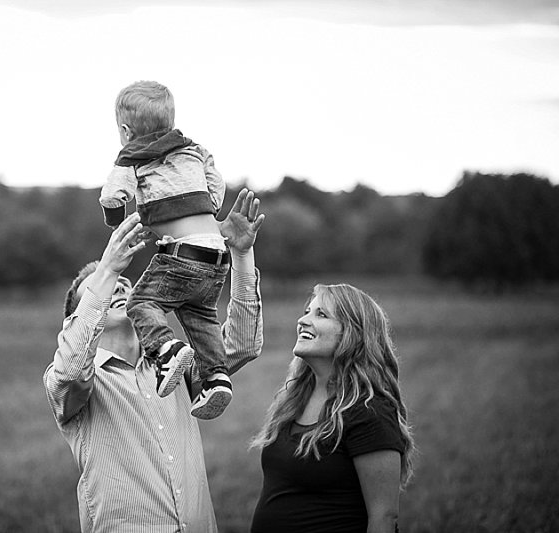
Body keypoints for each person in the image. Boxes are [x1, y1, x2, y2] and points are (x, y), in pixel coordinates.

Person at [45, 189, 265, 533]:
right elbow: (72, 365)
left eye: (123, 283)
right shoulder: (71, 383)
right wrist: (106, 268)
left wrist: (241, 255)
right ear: (79, 317)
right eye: (101, 289)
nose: (117, 286)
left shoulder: (175, 363)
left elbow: (241, 345)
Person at [99, 80, 233, 419]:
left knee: (141, 302)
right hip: (217, 253)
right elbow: (217, 185)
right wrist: (207, 209)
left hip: (183, 254)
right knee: (199, 312)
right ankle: (216, 377)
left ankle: (166, 349)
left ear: (126, 131)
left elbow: (114, 195)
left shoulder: (131, 157)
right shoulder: (194, 149)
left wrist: (117, 222)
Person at [250, 283, 415, 533]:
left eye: (321, 314)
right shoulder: (294, 399)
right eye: (307, 311)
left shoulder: (369, 411)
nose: (303, 320)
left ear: (353, 334)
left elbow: (384, 517)